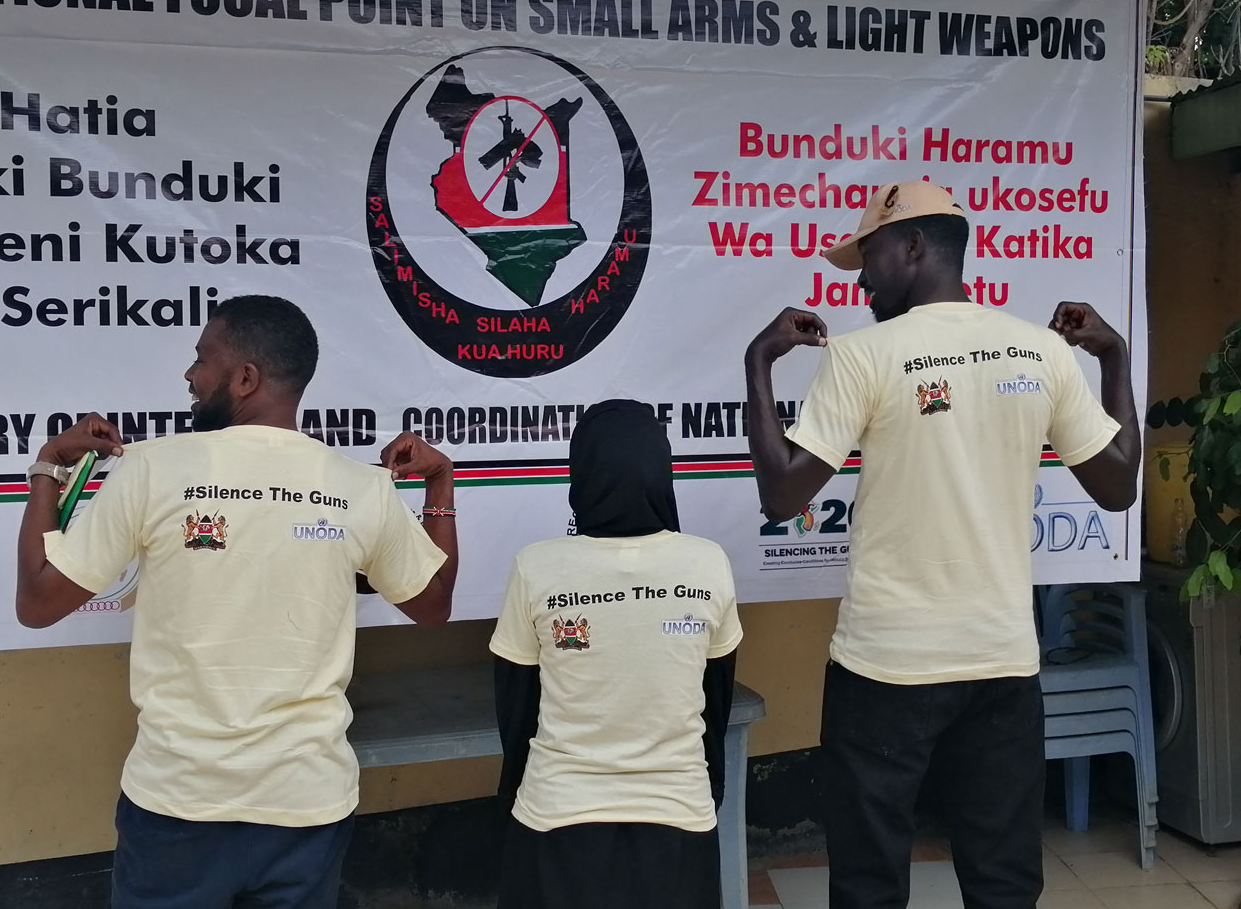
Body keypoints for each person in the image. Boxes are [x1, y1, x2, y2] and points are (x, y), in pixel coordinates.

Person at [744, 180, 1140, 909]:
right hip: (1001, 665)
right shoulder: (1040, 353)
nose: (860, 279)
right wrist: (1112, 356)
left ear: (915, 246)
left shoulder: (863, 355)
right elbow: (1118, 487)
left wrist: (758, 365)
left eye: (868, 257)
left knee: (869, 883)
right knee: (1003, 883)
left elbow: (781, 495)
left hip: (884, 667)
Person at [15, 294, 460, 909]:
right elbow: (433, 604)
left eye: (202, 359)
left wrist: (47, 470)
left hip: (179, 805)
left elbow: (38, 601)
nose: (189, 376)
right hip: (307, 805)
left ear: (245, 378)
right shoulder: (360, 488)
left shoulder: (150, 470)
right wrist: (441, 484)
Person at [489, 399, 742, 909]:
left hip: (557, 813)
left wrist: (519, 795)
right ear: (661, 471)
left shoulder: (538, 566)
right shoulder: (706, 564)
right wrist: (703, 789)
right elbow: (716, 701)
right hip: (678, 813)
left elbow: (515, 710)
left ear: (581, 472)